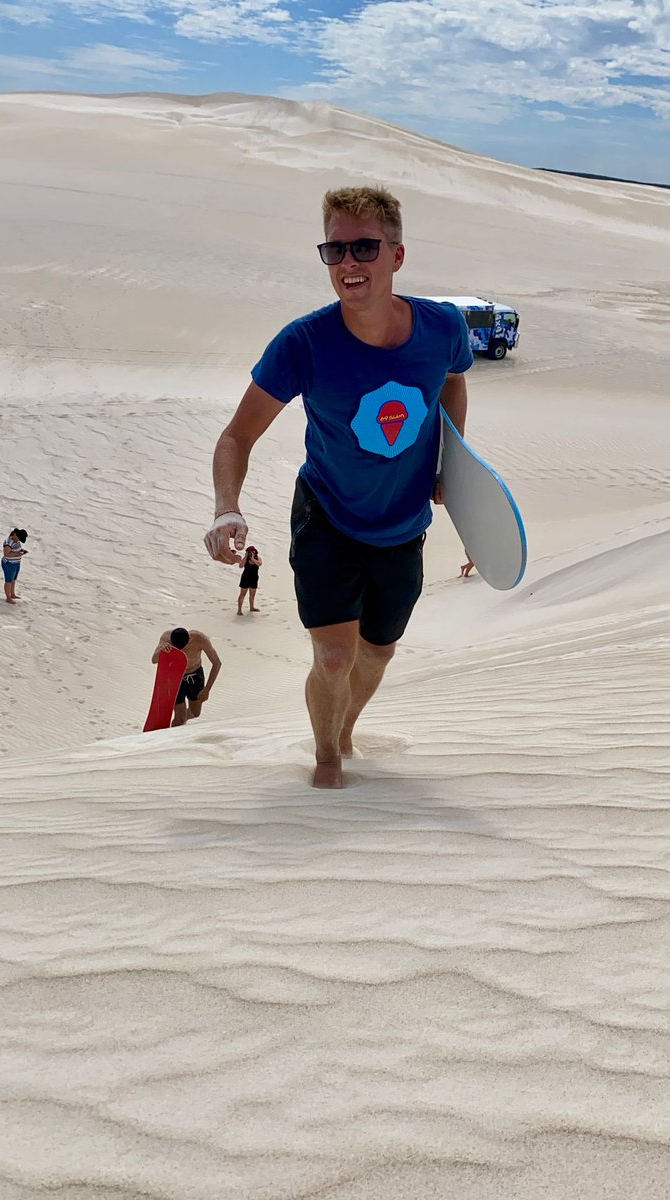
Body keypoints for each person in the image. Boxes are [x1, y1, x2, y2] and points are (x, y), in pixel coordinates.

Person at [204, 185, 473, 788]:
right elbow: (235, 438)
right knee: (333, 657)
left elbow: (454, 381)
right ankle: (326, 758)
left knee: (377, 654)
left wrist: (453, 463)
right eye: (335, 250)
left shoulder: (443, 326)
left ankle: (346, 728)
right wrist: (227, 508)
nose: (349, 263)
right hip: (325, 514)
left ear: (397, 256)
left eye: (364, 247)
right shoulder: (304, 343)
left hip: (403, 525)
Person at [151, 626, 222, 726]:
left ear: (189, 639)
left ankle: (183, 720)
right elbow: (154, 660)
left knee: (195, 713)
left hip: (195, 675)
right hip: (176, 677)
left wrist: (207, 689)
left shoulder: (200, 639)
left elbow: (217, 663)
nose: (182, 650)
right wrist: (161, 651)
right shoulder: (166, 638)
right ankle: (175, 731)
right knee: (179, 718)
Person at [1, 528, 28, 603]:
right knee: (8, 581)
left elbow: (15, 549)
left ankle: (12, 594)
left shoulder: (16, 541)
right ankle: (8, 598)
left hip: (16, 563)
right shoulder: (8, 543)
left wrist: (21, 550)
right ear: (15, 535)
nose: (19, 540)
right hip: (9, 564)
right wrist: (18, 554)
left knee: (13, 579)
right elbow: (6, 554)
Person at [237, 545, 262, 614]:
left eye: (252, 552)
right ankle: (239, 610)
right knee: (242, 594)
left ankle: (252, 607)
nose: (251, 553)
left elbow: (260, 564)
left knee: (252, 595)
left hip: (254, 578)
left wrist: (253, 558)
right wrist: (246, 556)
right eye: (249, 552)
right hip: (245, 578)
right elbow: (240, 566)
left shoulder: (258, 558)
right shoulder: (245, 559)